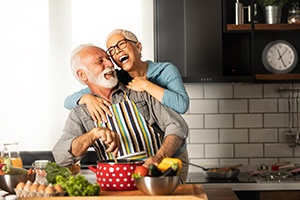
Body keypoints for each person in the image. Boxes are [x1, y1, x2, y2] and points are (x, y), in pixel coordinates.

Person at [52, 44, 189, 182]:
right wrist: (93, 134)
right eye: (100, 62)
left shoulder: (141, 93)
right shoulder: (80, 113)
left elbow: (177, 126)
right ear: (83, 75)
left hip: (155, 181)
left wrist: (160, 156)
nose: (110, 64)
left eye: (108, 58)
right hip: (116, 186)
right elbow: (61, 157)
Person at [64, 29, 189, 123]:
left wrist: (146, 85)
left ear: (138, 47)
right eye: (111, 50)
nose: (117, 51)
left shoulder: (165, 70)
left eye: (121, 44)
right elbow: (68, 101)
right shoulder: (116, 77)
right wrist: (87, 98)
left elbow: (182, 105)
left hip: (173, 148)